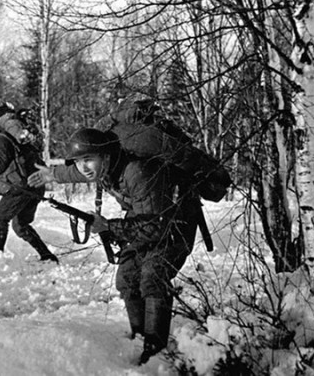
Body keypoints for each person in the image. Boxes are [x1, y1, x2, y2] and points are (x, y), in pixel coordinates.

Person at [28, 128, 196, 364]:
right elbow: (80, 172)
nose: (83, 167)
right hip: (144, 221)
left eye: (88, 160)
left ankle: (156, 352)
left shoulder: (137, 172)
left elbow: (155, 227)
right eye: (78, 161)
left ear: (106, 156)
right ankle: (139, 338)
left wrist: (109, 226)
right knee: (127, 277)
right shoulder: (108, 166)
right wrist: (54, 174)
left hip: (175, 225)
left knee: (152, 276)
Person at [0, 117, 58, 263]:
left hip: (21, 188)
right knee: (20, 225)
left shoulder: (0, 140)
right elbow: (3, 161)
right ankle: (47, 256)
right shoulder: (4, 138)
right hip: (33, 186)